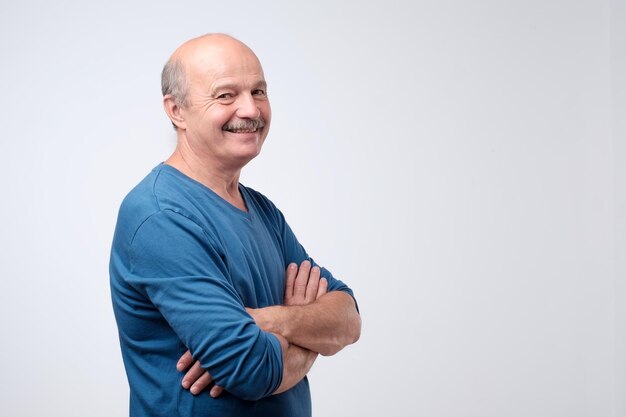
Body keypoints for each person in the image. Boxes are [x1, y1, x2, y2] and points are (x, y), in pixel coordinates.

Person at [109, 33, 361, 417]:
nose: (250, 109)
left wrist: (270, 319)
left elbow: (348, 319)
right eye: (226, 95)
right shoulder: (161, 216)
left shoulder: (262, 211)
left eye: (258, 91)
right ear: (176, 110)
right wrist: (312, 336)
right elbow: (251, 369)